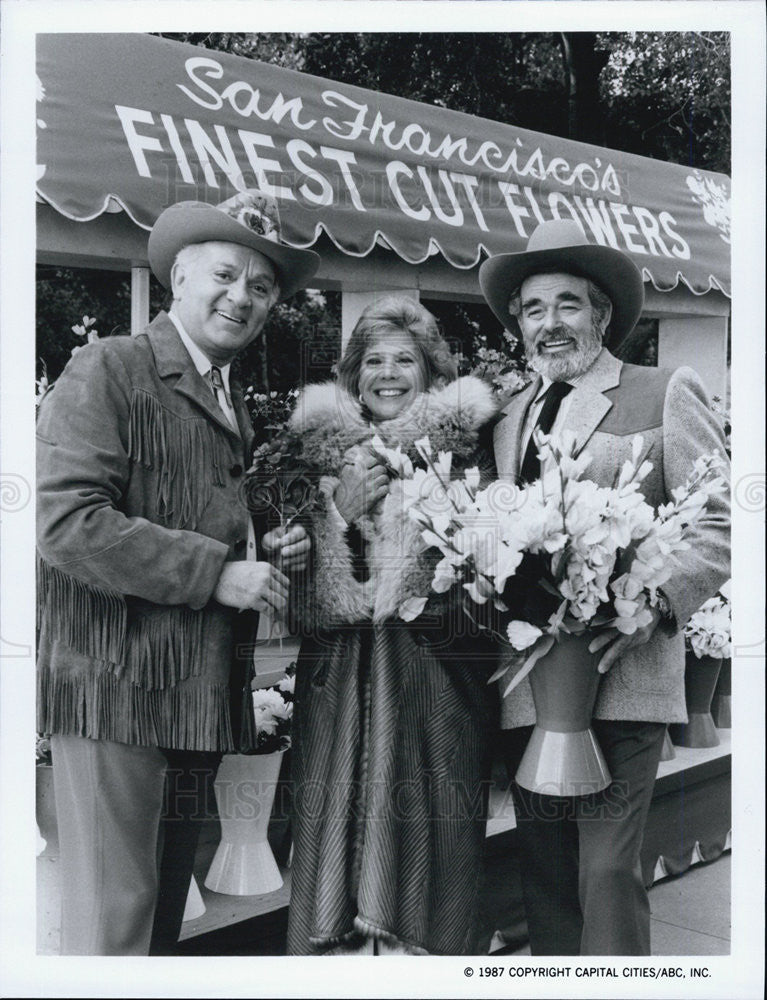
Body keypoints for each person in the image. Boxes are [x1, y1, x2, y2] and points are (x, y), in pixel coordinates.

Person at [36, 188, 320, 955]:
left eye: (262, 289)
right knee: (114, 929)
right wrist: (218, 573)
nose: (244, 298)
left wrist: (262, 545)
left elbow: (185, 511)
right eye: (226, 276)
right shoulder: (109, 366)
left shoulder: (227, 398)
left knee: (157, 927)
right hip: (114, 695)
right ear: (180, 279)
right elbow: (65, 523)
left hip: (193, 697)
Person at [479, 219, 731, 956]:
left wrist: (649, 604)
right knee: (546, 875)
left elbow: (718, 520)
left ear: (600, 315)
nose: (548, 324)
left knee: (606, 869)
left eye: (565, 304)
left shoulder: (661, 390)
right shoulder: (503, 417)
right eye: (531, 309)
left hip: (623, 676)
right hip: (527, 686)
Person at [281, 296, 499, 955]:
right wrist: (336, 516)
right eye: (372, 360)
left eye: (404, 359)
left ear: (431, 371)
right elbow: (294, 606)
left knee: (432, 869)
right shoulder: (316, 461)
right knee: (332, 872)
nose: (387, 373)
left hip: (437, 700)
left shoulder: (468, 457)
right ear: (352, 377)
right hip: (337, 701)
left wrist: (425, 587)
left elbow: (491, 596)